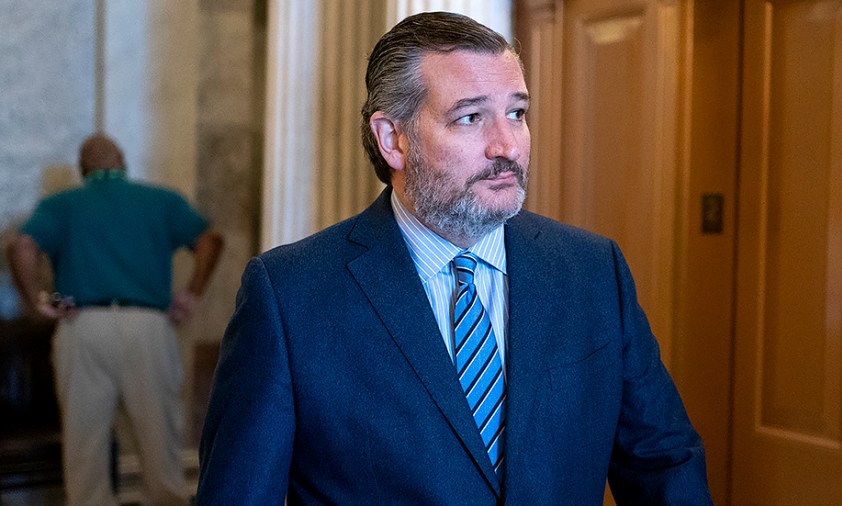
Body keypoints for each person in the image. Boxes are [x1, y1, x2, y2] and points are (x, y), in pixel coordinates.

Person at [197, 11, 712, 505]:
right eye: (470, 117)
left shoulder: (592, 271)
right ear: (393, 139)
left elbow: (663, 463)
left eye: (516, 112)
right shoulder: (289, 296)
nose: (506, 144)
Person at [6, 133, 224, 505]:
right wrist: (192, 294)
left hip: (83, 327)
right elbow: (210, 240)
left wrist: (37, 302)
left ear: (83, 168)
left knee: (85, 446)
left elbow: (22, 246)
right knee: (161, 442)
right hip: (148, 327)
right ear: (122, 162)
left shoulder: (62, 204)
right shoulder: (161, 200)